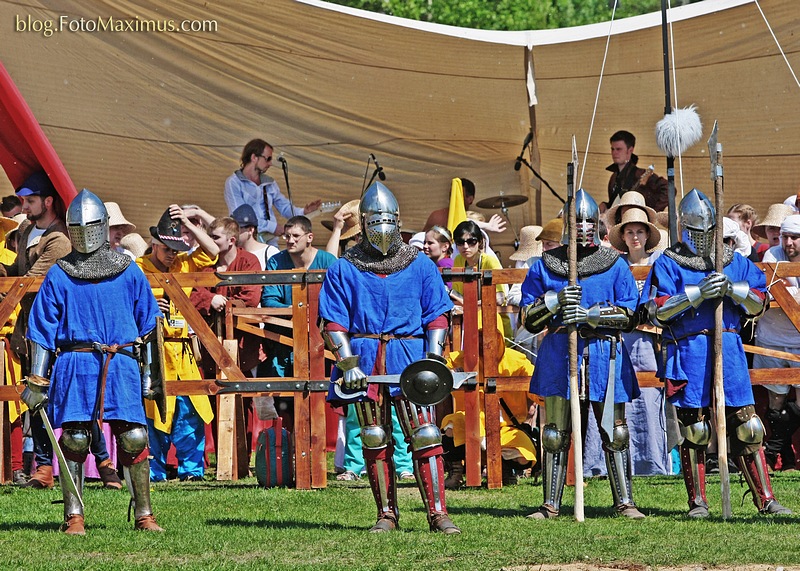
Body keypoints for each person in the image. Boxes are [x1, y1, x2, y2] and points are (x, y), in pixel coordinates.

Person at [642, 188, 791, 518]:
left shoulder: (734, 262)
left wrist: (732, 289)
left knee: (748, 425)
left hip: (729, 345)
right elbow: (654, 311)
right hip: (689, 349)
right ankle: (698, 502)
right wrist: (697, 293)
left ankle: (765, 498)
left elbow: (760, 300)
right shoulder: (670, 262)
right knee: (696, 429)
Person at [319, 181, 459, 534]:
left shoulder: (421, 265)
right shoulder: (345, 267)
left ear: (398, 221)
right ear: (363, 224)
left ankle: (439, 513)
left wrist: (432, 359)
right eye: (374, 221)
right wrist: (348, 364)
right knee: (374, 434)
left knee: (426, 433)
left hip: (409, 357)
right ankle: (386, 514)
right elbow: (333, 320)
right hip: (365, 357)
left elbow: (438, 315)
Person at [21, 189, 163, 534]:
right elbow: (42, 329)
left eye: (91, 226)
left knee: (134, 437)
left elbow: (148, 325)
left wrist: (151, 377)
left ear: (103, 226)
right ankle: (74, 516)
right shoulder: (60, 273)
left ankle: (144, 514)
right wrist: (37, 381)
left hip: (121, 363)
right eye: (78, 227)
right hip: (76, 362)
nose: (85, 234)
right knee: (75, 439)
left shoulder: (128, 270)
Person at [520, 189, 645, 520]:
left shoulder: (614, 264)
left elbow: (631, 314)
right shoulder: (545, 266)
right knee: (554, 432)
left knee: (615, 430)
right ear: (566, 224)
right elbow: (527, 319)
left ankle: (625, 502)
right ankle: (550, 504)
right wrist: (555, 302)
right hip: (562, 350)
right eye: (579, 221)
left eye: (591, 220)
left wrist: (591, 316)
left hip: (605, 352)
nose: (585, 226)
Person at [137, 205, 219, 481]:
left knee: (189, 411)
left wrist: (188, 222)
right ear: (154, 244)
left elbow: (212, 252)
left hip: (182, 351)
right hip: (152, 351)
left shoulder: (184, 264)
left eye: (175, 249)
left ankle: (192, 471)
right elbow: (128, 303)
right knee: (154, 412)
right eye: (166, 248)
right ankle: (155, 470)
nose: (171, 255)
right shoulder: (138, 268)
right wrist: (149, 306)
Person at [1, 172, 72, 489]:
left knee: (69, 400)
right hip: (30, 330)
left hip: (56, 329)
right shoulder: (27, 229)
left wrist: (8, 285)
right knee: (37, 398)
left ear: (47, 201)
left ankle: (103, 463)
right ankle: (43, 469)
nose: (24, 207)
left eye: (30, 201)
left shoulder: (59, 238)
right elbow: (15, 273)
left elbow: (31, 283)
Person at [604, 208, 671, 476]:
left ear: (647, 235)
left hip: (649, 341)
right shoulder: (614, 263)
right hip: (620, 338)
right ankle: (613, 463)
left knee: (649, 399)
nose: (634, 237)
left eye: (639, 231)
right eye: (629, 232)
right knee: (619, 399)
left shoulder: (659, 262)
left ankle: (651, 463)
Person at [260, 216, 336, 377]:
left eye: (295, 236)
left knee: (321, 390)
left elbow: (337, 300)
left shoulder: (328, 261)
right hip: (284, 337)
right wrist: (294, 310)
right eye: (287, 236)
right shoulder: (276, 262)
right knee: (283, 396)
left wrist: (314, 313)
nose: (290, 240)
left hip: (320, 338)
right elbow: (269, 300)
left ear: (310, 237)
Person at [754, 214, 800, 470]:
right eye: (786, 236)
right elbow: (773, 288)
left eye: (795, 237)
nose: (789, 242)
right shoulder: (772, 255)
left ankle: (773, 450)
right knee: (776, 401)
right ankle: (781, 455)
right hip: (772, 337)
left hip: (798, 338)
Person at [224, 139, 321, 246]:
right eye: (268, 159)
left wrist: (304, 211)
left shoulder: (269, 182)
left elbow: (284, 207)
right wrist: (272, 227)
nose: (270, 163)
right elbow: (240, 217)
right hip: (246, 241)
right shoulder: (234, 182)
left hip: (270, 242)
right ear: (254, 157)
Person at [601, 130, 669, 213]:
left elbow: (668, 188)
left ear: (630, 150)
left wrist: (653, 213)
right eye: (612, 149)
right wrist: (605, 205)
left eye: (618, 149)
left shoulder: (640, 174)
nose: (614, 153)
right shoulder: (614, 177)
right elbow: (615, 206)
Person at [422, 177, 506, 235]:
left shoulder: (475, 218)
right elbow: (422, 240)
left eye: (457, 196)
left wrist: (487, 226)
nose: (452, 198)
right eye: (451, 194)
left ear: (470, 199)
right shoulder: (437, 216)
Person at [230, 203, 279, 270]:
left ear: (250, 230)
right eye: (231, 229)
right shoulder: (230, 254)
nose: (233, 233)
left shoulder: (270, 253)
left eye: (237, 229)